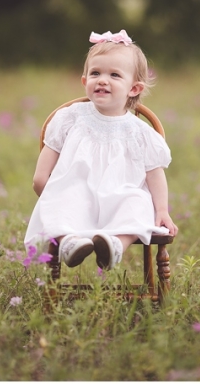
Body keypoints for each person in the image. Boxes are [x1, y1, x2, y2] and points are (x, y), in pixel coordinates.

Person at [24, 30, 178, 270]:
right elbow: (41, 177)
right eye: (95, 73)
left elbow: (155, 174)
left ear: (134, 88)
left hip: (119, 199)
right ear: (85, 81)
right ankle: (70, 242)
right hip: (78, 196)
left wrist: (162, 210)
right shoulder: (68, 119)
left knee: (138, 201)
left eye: (114, 75)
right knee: (61, 197)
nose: (102, 80)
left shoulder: (141, 133)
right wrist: (50, 193)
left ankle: (115, 244)